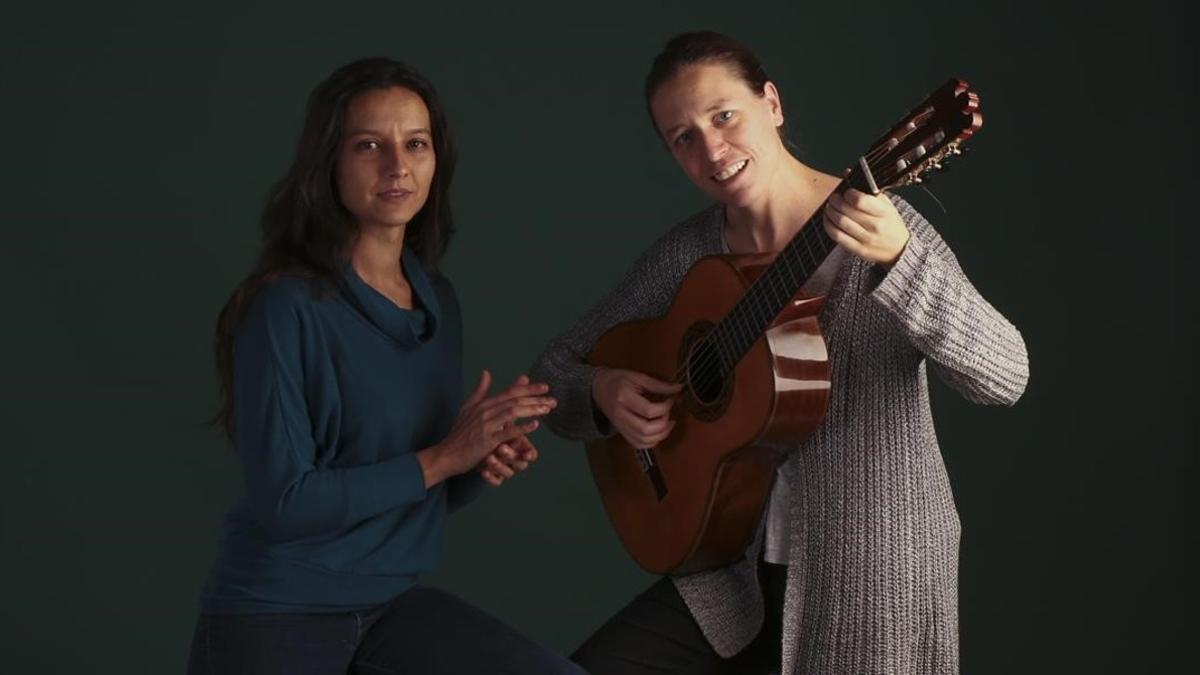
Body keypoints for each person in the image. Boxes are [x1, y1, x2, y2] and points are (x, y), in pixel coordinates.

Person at [530, 31, 1029, 675]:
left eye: (724, 115)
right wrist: (601, 391)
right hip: (729, 574)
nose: (711, 149)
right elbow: (553, 372)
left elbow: (1007, 374)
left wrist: (904, 263)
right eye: (683, 137)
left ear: (772, 103)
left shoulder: (882, 223)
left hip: (873, 577)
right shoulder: (690, 253)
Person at [189, 57, 584, 675]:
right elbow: (289, 504)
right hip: (273, 616)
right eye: (370, 145)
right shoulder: (284, 307)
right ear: (330, 164)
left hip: (389, 608)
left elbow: (403, 490)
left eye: (416, 144)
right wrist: (445, 457)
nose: (398, 166)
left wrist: (476, 460)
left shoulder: (436, 299)